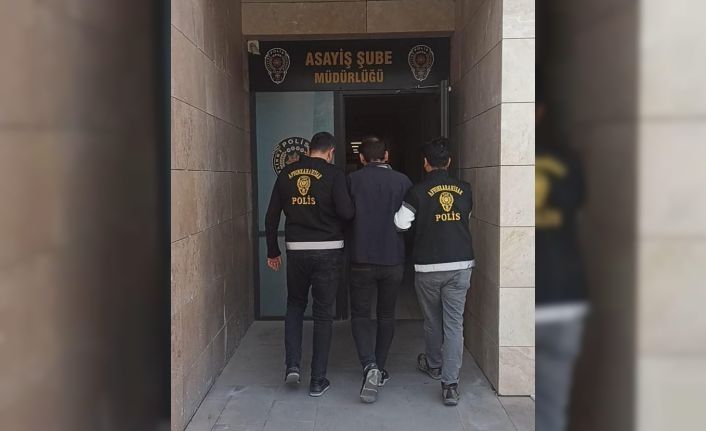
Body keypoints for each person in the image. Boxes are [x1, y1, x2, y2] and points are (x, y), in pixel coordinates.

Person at [265, 131, 354, 397]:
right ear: (331, 152)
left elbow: (271, 216)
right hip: (328, 250)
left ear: (309, 150)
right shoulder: (334, 174)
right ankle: (317, 380)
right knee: (323, 314)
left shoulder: (286, 174)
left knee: (295, 305)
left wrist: (272, 251)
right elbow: (347, 212)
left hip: (297, 251)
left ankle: (292, 365)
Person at [393, 137, 475, 406]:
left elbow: (401, 224)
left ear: (425, 163)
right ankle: (450, 385)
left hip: (428, 266)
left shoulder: (416, 192)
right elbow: (465, 219)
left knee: (432, 320)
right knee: (454, 323)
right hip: (460, 265)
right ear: (449, 162)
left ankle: (434, 364)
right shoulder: (465, 189)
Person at [535, 98, 589, 431]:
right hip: (565, 297)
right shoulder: (568, 161)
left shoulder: (515, 158)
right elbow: (579, 210)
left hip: (534, 297)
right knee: (552, 405)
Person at [346, 136, 412, 403]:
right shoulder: (403, 181)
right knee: (386, 314)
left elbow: (344, 215)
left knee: (361, 315)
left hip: (361, 258)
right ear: (386, 156)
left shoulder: (352, 181)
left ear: (361, 158)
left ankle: (369, 365)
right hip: (392, 258)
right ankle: (380, 368)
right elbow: (409, 220)